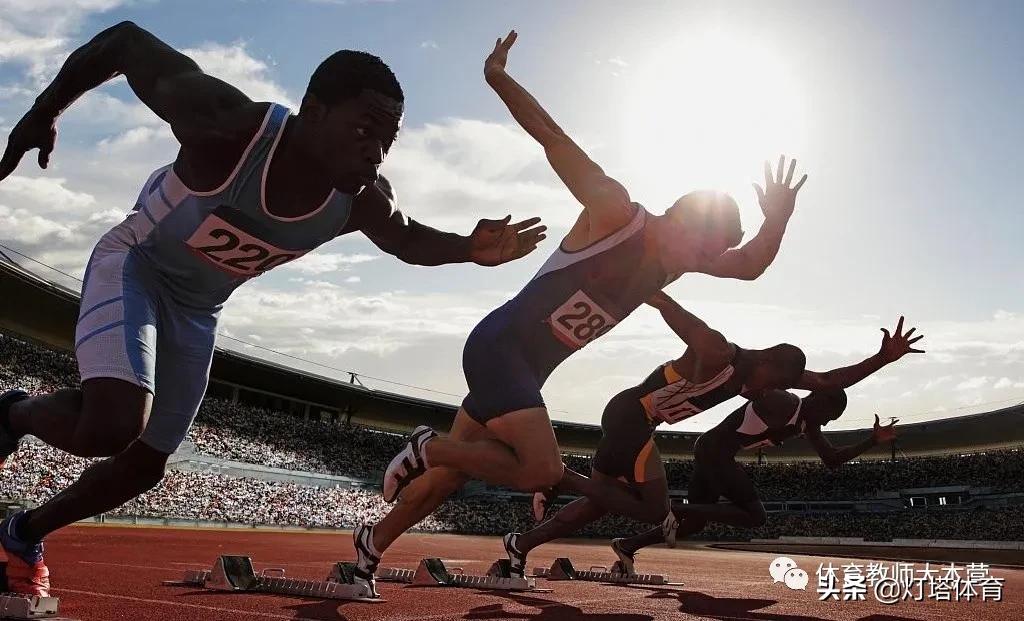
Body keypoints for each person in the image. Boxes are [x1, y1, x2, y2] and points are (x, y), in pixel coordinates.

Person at [0, 21, 545, 597]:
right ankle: (13, 412)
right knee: (112, 425)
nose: (375, 150)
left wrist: (468, 248)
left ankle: (19, 533)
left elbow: (406, 241)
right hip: (137, 265)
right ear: (312, 109)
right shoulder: (233, 127)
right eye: (364, 128)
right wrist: (44, 111)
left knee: (145, 466)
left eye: (387, 140)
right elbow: (125, 42)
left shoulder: (361, 198)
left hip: (197, 309)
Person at [358, 30, 807, 593]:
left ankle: (366, 552)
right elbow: (553, 138)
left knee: (448, 480)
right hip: (500, 348)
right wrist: (498, 78)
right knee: (541, 470)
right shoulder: (615, 212)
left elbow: (748, 266)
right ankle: (428, 445)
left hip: (524, 371)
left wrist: (779, 219)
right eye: (702, 250)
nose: (704, 264)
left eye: (708, 258)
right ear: (684, 221)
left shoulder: (674, 262)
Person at [500, 296, 922, 576]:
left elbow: (829, 379)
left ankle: (522, 542)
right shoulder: (721, 352)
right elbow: (672, 309)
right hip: (633, 413)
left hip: (638, 422)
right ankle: (558, 476)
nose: (767, 394)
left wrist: (882, 359)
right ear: (769, 366)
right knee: (653, 509)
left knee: (599, 503)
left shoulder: (761, 379)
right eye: (773, 385)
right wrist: (648, 286)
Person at [609, 389, 898, 575]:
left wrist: (872, 440)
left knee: (696, 524)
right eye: (830, 416)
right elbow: (751, 390)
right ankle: (680, 509)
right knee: (755, 516)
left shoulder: (805, 422)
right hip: (716, 453)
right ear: (820, 401)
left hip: (713, 452)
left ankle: (627, 544)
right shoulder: (785, 401)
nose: (828, 423)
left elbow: (832, 460)